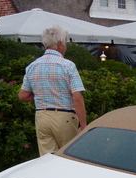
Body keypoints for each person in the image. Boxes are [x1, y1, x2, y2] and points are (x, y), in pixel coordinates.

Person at [18, 26, 87, 157]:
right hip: (64, 117)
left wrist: (42, 95)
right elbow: (77, 97)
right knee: (70, 157)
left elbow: (22, 95)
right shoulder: (68, 65)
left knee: (47, 160)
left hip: (42, 117)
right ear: (60, 44)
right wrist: (83, 125)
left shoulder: (32, 66)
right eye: (65, 43)